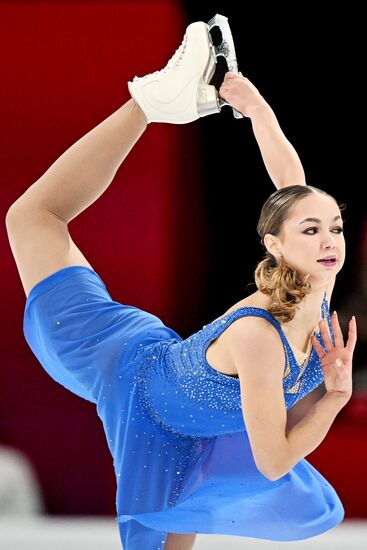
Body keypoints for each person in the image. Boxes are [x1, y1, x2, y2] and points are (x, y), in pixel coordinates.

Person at [5, 19, 357, 550]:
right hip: (123, 374)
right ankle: (146, 103)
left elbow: (292, 183)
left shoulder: (316, 283)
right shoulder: (260, 336)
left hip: (181, 414)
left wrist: (258, 110)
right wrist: (335, 397)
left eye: (335, 228)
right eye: (312, 230)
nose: (331, 240)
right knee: (33, 217)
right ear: (275, 244)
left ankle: (156, 103)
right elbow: (273, 460)